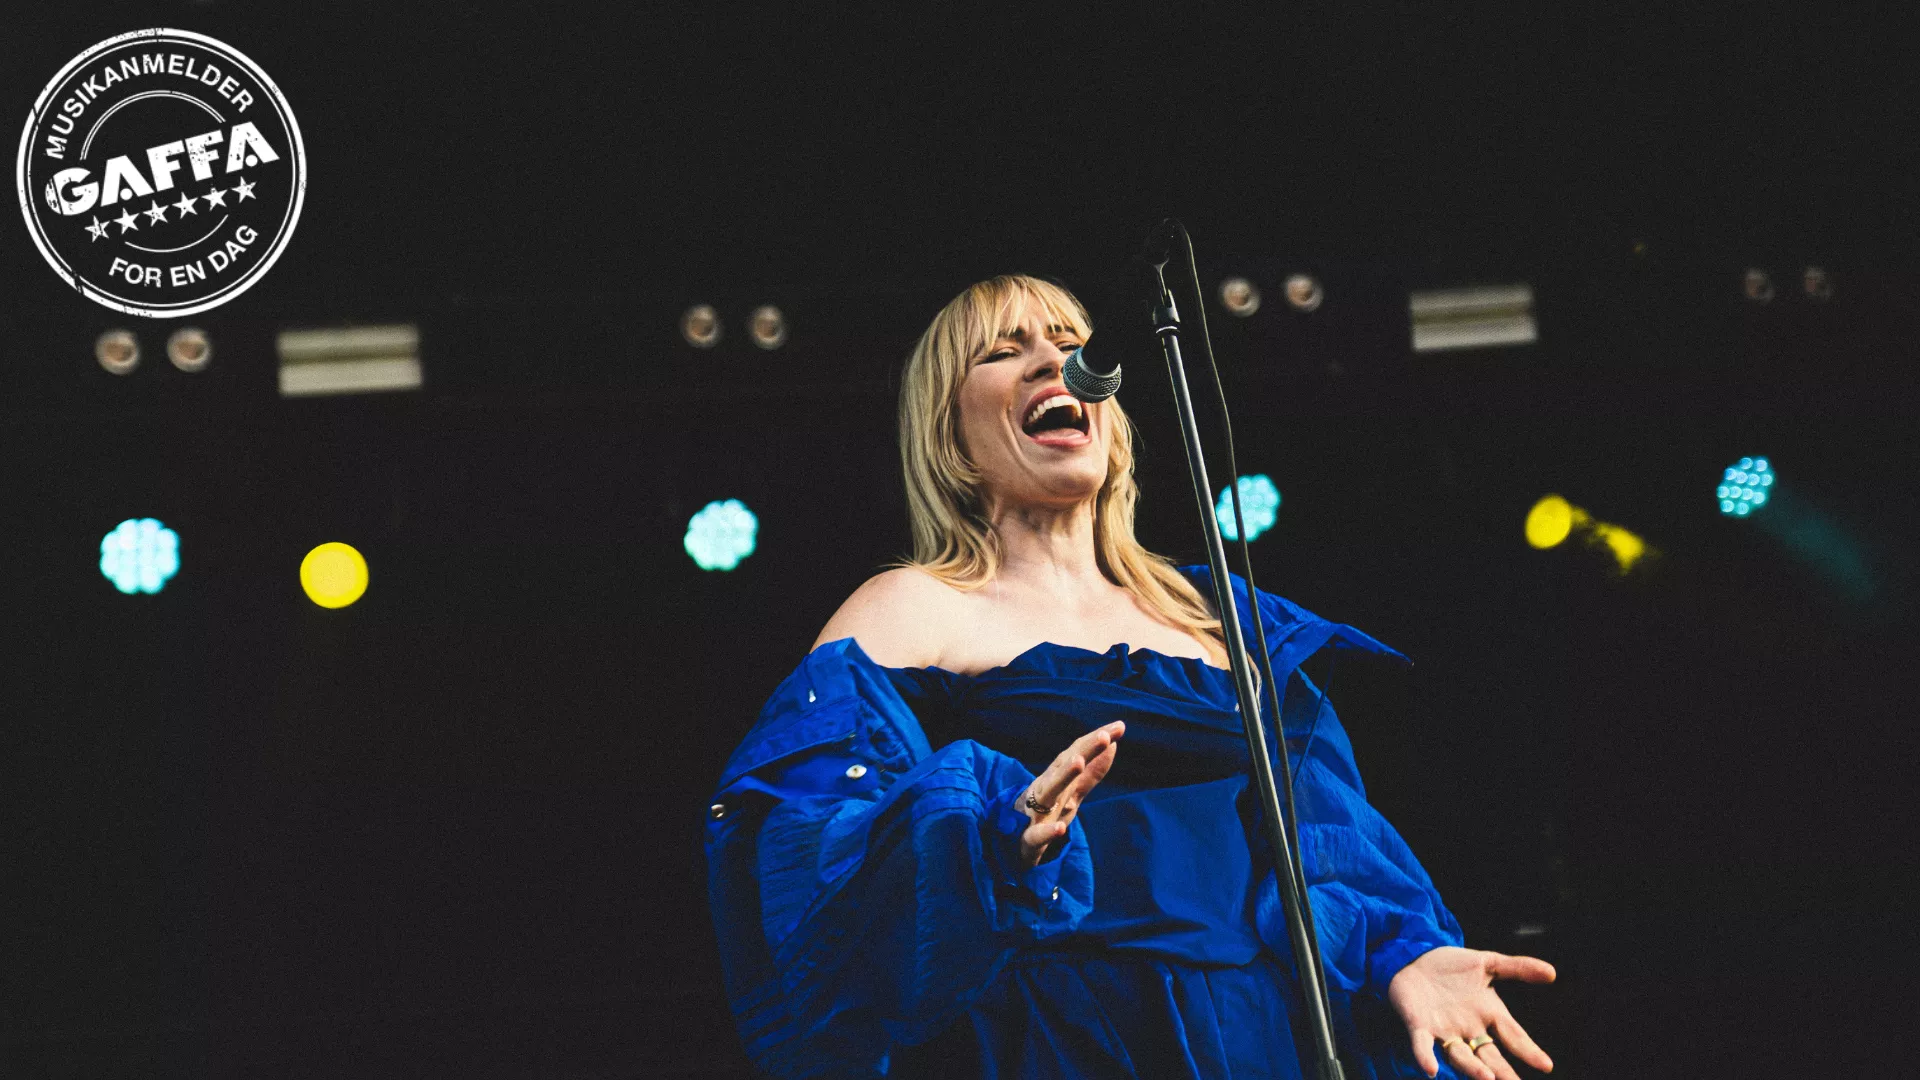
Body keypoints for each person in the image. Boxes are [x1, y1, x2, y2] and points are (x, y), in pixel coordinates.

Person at [704, 274, 1555, 1079]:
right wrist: (987, 836)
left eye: (1068, 342)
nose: (1052, 360)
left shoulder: (1221, 617)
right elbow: (806, 855)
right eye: (1003, 350)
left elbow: (1326, 839)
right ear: (947, 431)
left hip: (1256, 1033)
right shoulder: (910, 607)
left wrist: (1404, 954)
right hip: (1053, 1032)